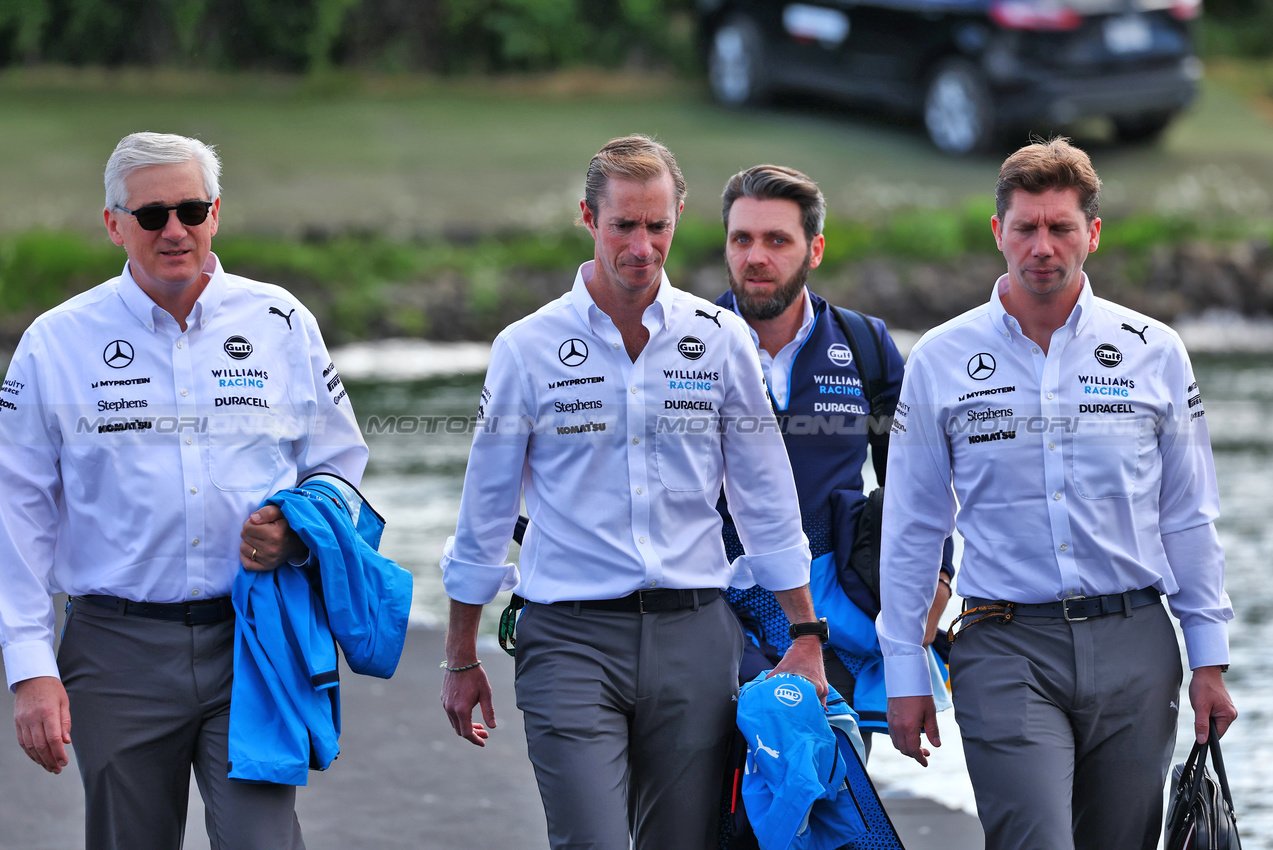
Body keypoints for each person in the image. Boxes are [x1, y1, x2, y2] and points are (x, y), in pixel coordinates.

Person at [438, 135, 826, 850]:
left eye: (658, 225)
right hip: (569, 640)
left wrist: (804, 634)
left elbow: (764, 498)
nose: (642, 246)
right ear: (588, 219)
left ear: (678, 216)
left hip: (694, 637)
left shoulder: (720, 340)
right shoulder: (526, 346)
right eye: (624, 225)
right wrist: (460, 655)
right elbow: (485, 512)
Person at [0, 132, 368, 850]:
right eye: (151, 215)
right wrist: (30, 670)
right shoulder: (55, 342)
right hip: (115, 649)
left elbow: (339, 461)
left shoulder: (281, 321)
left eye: (192, 210)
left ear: (216, 213)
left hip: (253, 635)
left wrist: (298, 532)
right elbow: (16, 514)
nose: (175, 230)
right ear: (113, 225)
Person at [877, 138, 1237, 850]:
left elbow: (1188, 517)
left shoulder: (1154, 350)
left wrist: (1209, 660)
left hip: (1135, 642)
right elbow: (913, 526)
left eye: (1060, 227)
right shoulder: (939, 358)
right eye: (1026, 227)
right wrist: (902, 670)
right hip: (1004, 644)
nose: (1042, 246)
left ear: (1091, 234)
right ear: (997, 233)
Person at [714, 164, 953, 753]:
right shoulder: (684, 341)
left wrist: (939, 580)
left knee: (826, 802)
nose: (756, 257)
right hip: (706, 605)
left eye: (777, 240)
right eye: (741, 239)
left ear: (814, 249)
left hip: (830, 613)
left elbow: (917, 481)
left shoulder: (865, 343)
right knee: (706, 809)